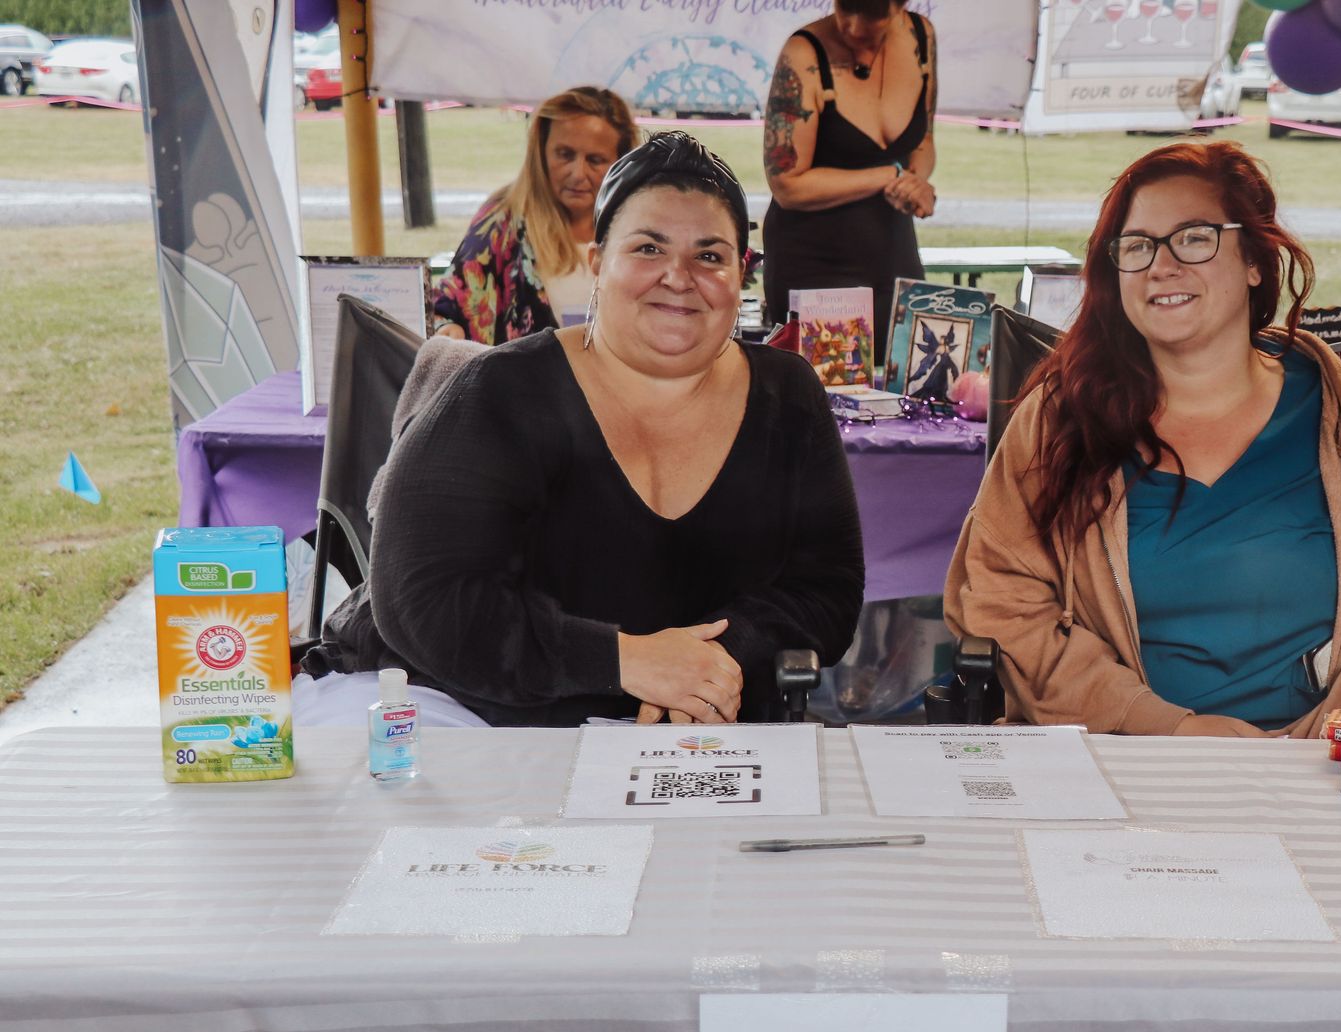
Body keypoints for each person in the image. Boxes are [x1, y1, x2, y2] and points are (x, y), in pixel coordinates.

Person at [305, 132, 866, 727]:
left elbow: (824, 588)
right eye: (648, 248)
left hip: (685, 718)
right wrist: (624, 661)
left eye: (709, 255)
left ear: (740, 274)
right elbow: (425, 602)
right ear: (597, 263)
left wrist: (713, 664)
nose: (678, 276)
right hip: (455, 704)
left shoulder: (789, 394)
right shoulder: (499, 392)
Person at [945, 141, 1341, 738]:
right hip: (1118, 761)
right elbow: (999, 601)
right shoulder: (1059, 422)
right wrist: (1164, 729)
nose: (1162, 265)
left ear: (1256, 260)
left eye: (1194, 237)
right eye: (1138, 246)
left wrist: (1314, 751)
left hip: (1322, 772)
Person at [761, 0, 937, 343]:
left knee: (897, 385)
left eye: (873, 14)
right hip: (812, 261)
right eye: (845, 7)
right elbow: (787, 185)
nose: (853, 26)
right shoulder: (803, 54)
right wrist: (889, 176)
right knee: (821, 390)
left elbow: (924, 138)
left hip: (892, 254)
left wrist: (916, 183)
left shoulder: (922, 37)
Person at [432, 87, 638, 345]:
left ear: (622, 163)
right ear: (541, 152)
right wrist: (448, 329)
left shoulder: (639, 226)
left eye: (595, 160)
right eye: (565, 154)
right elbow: (447, 308)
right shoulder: (501, 220)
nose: (577, 173)